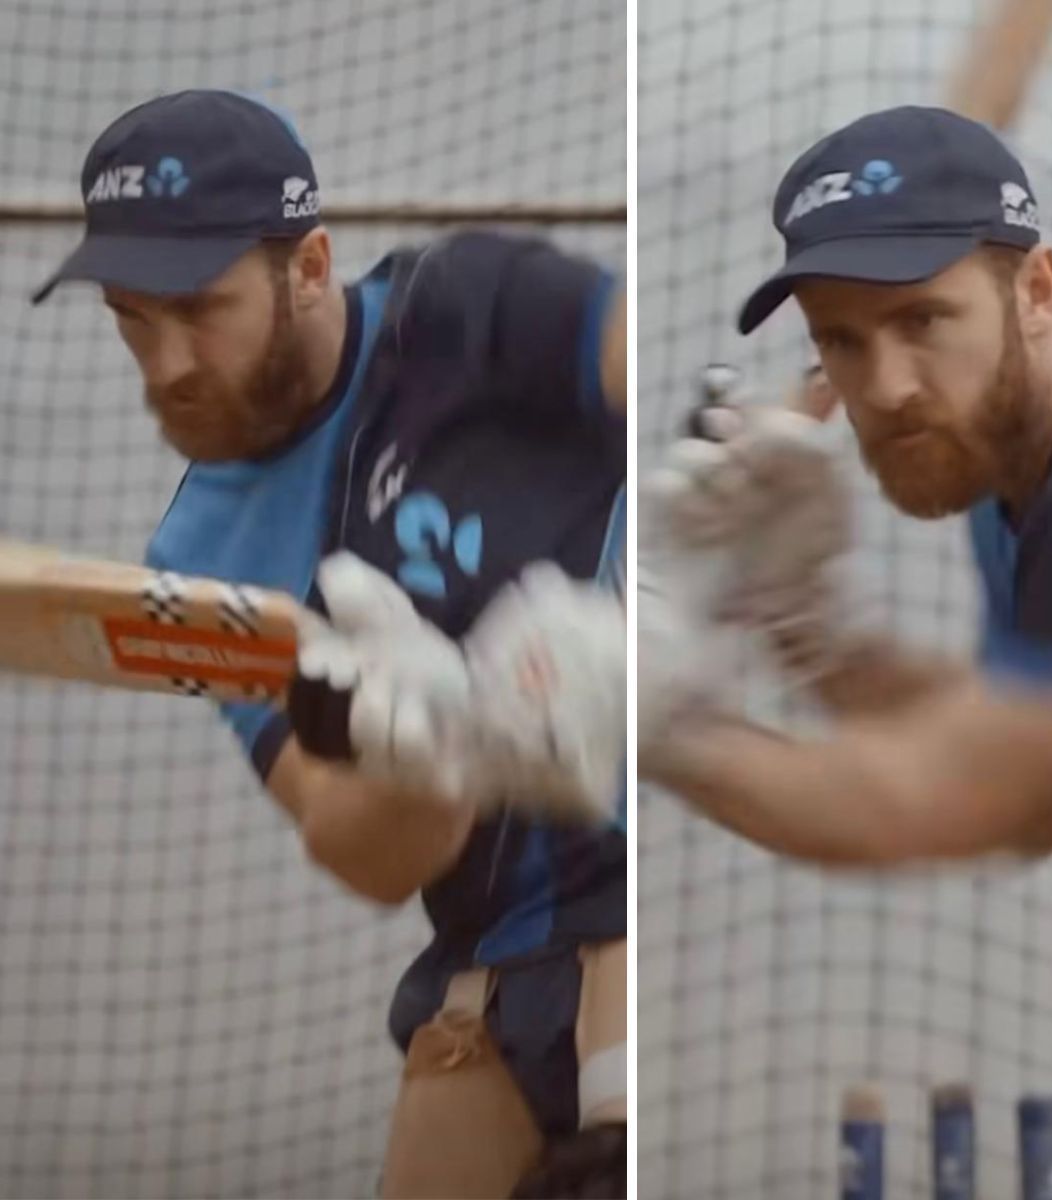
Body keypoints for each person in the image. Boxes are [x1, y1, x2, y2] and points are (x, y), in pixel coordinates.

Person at [637, 102, 1052, 1195]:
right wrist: (805, 631)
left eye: (923, 319)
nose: (882, 388)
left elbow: (939, 802)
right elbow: (1031, 791)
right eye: (841, 337)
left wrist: (634, 717)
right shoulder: (1007, 466)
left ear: (1038, 291)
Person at [31, 89, 629, 1200]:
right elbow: (363, 851)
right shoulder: (202, 549)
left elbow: (644, 372)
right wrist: (442, 753)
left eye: (199, 309)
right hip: (494, 957)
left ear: (309, 267)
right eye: (130, 319)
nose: (164, 367)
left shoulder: (457, 310)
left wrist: (646, 615)